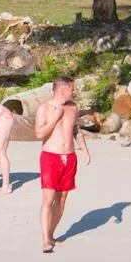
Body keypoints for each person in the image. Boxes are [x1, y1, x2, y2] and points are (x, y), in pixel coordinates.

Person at [33, 77, 91, 252]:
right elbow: (39, 134)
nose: (74, 92)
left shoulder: (73, 108)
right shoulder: (44, 108)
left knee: (62, 199)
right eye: (72, 89)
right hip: (51, 158)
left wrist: (85, 150)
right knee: (48, 199)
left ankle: (51, 234)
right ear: (62, 90)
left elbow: (77, 131)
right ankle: (45, 240)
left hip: (69, 158)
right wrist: (55, 118)